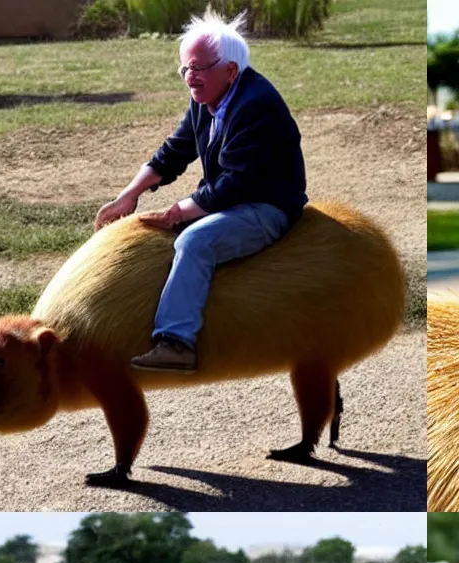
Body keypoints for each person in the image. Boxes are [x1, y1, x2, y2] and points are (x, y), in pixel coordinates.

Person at [95, 9, 306, 382]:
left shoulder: (256, 105)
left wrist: (180, 211)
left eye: (199, 68)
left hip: (265, 206)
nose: (190, 77)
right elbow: (173, 152)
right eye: (185, 70)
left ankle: (177, 343)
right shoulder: (206, 100)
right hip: (232, 200)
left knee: (195, 240)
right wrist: (127, 196)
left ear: (229, 70)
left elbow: (236, 184)